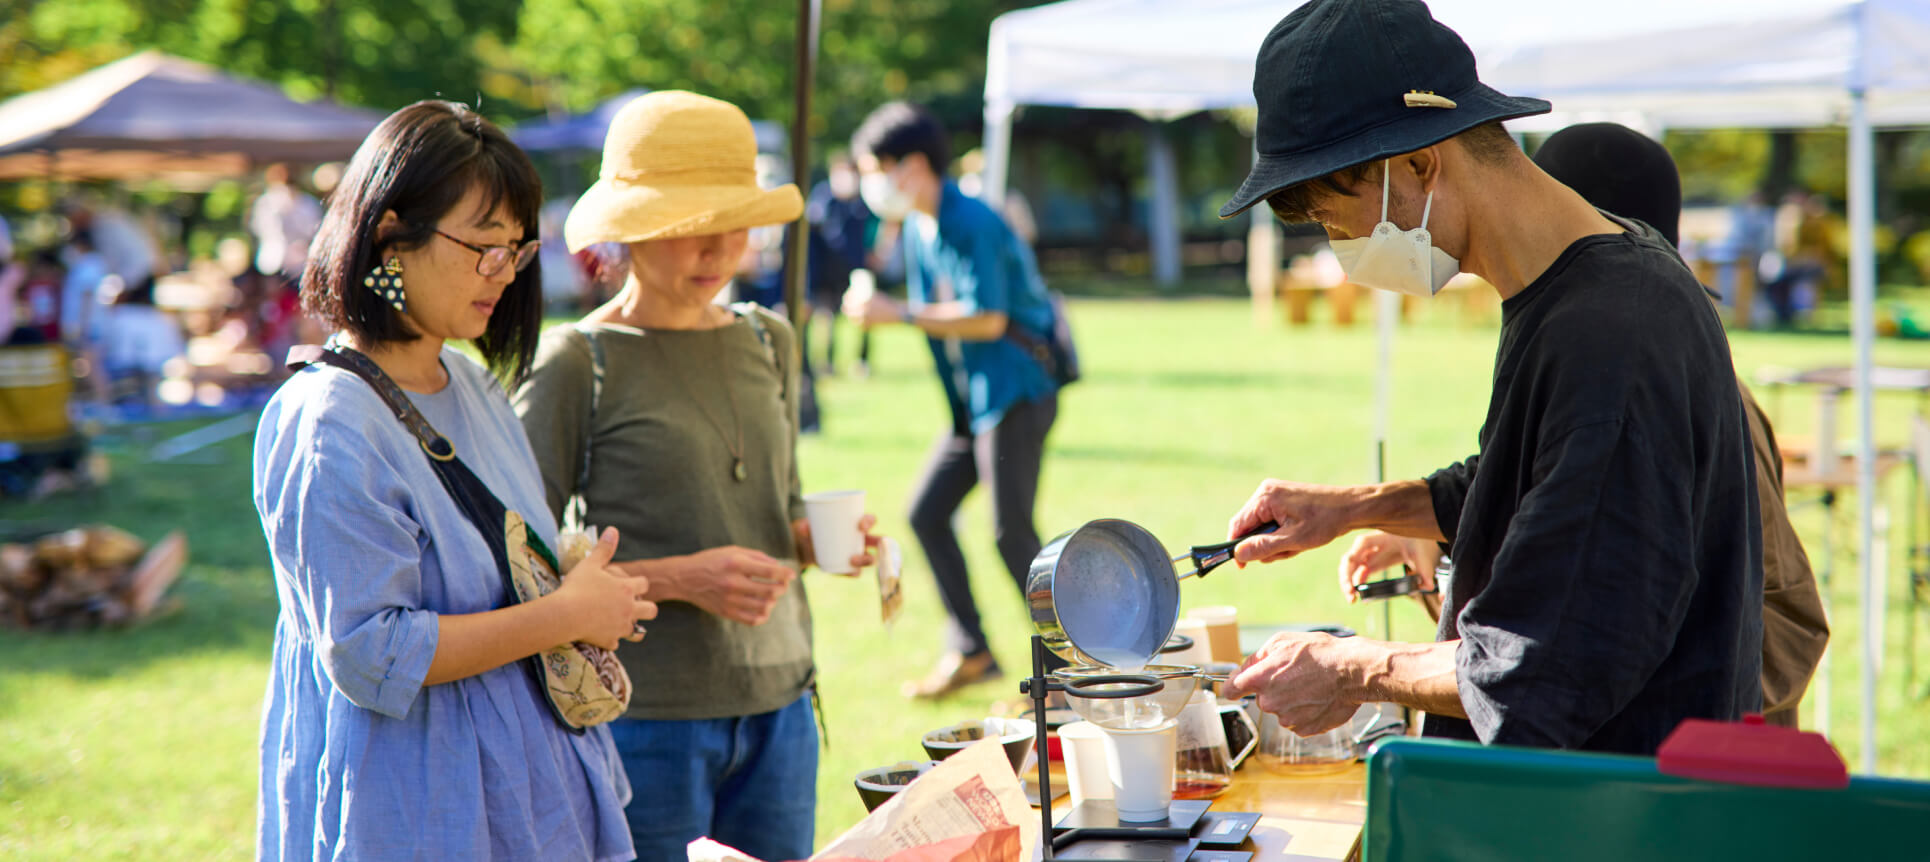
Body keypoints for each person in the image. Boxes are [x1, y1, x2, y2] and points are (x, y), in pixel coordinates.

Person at [1213, 0, 1763, 756]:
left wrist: (1351, 668)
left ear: (1417, 163)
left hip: (1611, 815)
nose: (1348, 255)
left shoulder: (1614, 333)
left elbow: (1546, 664)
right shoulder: (1579, 283)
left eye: (1341, 226)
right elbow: (1553, 487)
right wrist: (1350, 508)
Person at [252, 100, 649, 861]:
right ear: (391, 235)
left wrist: (570, 583)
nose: (502, 273)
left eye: (516, 251)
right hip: (417, 799)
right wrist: (564, 614)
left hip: (527, 788)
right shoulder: (329, 417)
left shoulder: (471, 383)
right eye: (481, 247)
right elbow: (370, 652)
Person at [1340, 122, 1828, 729]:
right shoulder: (1606, 350)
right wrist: (1448, 538)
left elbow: (1782, 624)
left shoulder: (1650, 379)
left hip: (1678, 777)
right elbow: (1571, 500)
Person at [514, 90, 878, 862]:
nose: (717, 251)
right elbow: (518, 564)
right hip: (648, 717)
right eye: (689, 229)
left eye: (733, 224)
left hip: (784, 705)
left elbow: (771, 509)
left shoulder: (770, 339)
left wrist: (816, 542)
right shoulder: (579, 361)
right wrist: (683, 579)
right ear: (630, 229)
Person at [844, 100, 1065, 697]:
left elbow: (989, 318)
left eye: (874, 168)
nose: (870, 183)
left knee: (1010, 534)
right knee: (926, 512)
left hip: (1017, 390)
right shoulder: (917, 226)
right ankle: (971, 650)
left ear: (912, 165)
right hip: (974, 407)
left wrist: (899, 314)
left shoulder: (972, 222)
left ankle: (1074, 674)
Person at [804, 151, 872, 375]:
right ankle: (827, 362)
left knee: (864, 315)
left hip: (856, 267)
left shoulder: (863, 201)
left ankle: (862, 361)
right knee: (827, 317)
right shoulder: (824, 197)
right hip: (827, 270)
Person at [249, 162, 324, 286]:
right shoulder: (265, 204)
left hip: (300, 263)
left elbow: (313, 231)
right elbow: (261, 228)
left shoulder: (307, 203)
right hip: (272, 260)